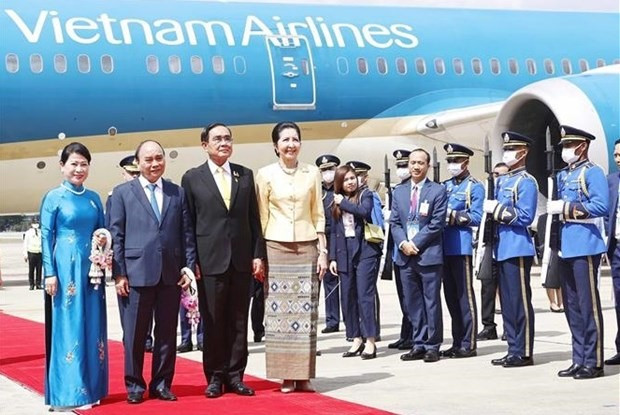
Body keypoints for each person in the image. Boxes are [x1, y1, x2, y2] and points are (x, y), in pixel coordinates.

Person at [181, 123, 265, 398]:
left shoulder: (244, 175)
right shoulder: (193, 178)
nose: (223, 143)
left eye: (227, 138)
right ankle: (215, 377)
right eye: (217, 139)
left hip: (241, 261)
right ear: (204, 144)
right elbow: (188, 224)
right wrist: (191, 261)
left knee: (239, 320)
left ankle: (236, 375)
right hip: (209, 262)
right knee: (214, 321)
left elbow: (254, 219)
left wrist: (257, 255)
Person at [109, 140, 196, 404]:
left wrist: (188, 268)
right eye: (148, 159)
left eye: (159, 158)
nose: (154, 163)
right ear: (138, 162)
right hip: (135, 274)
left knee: (167, 333)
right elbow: (117, 234)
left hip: (170, 274)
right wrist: (119, 273)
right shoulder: (122, 193)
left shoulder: (176, 192)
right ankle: (135, 385)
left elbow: (186, 234)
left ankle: (161, 383)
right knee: (135, 334)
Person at [256, 121, 328, 393]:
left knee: (306, 312)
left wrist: (322, 251)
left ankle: (304, 375)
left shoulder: (312, 173)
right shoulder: (265, 175)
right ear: (275, 146)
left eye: (295, 139)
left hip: (307, 245)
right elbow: (261, 216)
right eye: (285, 140)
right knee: (279, 314)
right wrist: (260, 255)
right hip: (276, 246)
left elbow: (318, 212)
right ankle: (286, 375)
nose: (290, 144)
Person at [40, 142, 108, 410]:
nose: (79, 169)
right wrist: (49, 273)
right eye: (74, 164)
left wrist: (103, 246)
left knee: (93, 325)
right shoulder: (54, 197)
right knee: (68, 325)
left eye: (84, 164)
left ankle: (93, 388)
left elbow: (102, 231)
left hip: (91, 269)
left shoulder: (93, 198)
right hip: (65, 268)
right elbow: (46, 236)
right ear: (62, 166)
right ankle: (68, 392)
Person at [548, 126, 607, 379]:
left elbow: (601, 205)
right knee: (571, 306)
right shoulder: (563, 175)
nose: (565, 150)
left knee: (587, 305)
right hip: (565, 245)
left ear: (581, 146)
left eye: (568, 146)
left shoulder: (592, 172)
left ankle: (593, 361)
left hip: (585, 245)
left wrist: (566, 207)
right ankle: (578, 357)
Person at [483, 131, 537, 368]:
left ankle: (524, 351)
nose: (507, 153)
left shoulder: (526, 181)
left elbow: (525, 216)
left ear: (523, 152)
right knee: (506, 303)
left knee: (519, 302)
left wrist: (496, 210)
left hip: (517, 247)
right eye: (505, 149)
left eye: (511, 149)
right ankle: (513, 347)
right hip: (501, 247)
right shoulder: (503, 181)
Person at [391, 148, 447, 363]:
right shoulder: (400, 191)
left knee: (431, 302)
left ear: (428, 166)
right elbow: (395, 222)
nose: (415, 167)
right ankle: (418, 342)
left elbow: (436, 224)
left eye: (420, 163)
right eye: (412, 163)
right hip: (405, 255)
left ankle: (433, 345)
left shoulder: (437, 191)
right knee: (412, 302)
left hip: (428, 254)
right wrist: (404, 243)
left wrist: (415, 243)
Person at [329, 165, 382, 360]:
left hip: (365, 250)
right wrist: (332, 257)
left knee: (364, 296)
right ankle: (355, 337)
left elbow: (364, 212)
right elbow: (334, 232)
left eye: (353, 178)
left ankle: (370, 340)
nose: (351, 182)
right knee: (347, 296)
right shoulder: (334, 201)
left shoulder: (365, 195)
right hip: (344, 251)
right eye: (346, 179)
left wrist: (343, 203)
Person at [105, 155, 155, 353]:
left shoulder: (151, 193)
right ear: (123, 174)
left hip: (150, 260)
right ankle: (131, 337)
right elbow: (112, 231)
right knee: (128, 307)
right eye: (131, 173)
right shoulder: (116, 196)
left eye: (137, 173)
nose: (134, 177)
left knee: (149, 306)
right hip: (128, 262)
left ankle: (147, 338)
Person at [440, 143, 483, 358]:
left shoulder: (474, 186)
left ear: (466, 162)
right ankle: (456, 340)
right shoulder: (445, 186)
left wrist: (451, 216)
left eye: (456, 161)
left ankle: (468, 342)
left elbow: (477, 216)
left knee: (464, 297)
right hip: (443, 246)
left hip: (461, 245)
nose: (452, 165)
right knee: (450, 296)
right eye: (450, 161)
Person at [346, 161, 382, 341]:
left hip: (367, 247)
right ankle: (357, 335)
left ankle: (372, 333)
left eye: (358, 175)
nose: (355, 180)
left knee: (366, 295)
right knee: (352, 296)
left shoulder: (369, 195)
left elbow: (376, 220)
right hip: (350, 250)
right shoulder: (345, 196)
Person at [477, 162, 509, 341]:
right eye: (496, 174)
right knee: (487, 289)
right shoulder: (487, 194)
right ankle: (488, 326)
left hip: (505, 246)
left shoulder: (508, 194)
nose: (498, 178)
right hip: (488, 246)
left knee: (507, 291)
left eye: (502, 175)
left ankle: (508, 326)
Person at [387, 150, 414, 351]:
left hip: (411, 248)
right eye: (399, 166)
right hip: (398, 251)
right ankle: (406, 334)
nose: (401, 170)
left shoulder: (413, 191)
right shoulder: (397, 191)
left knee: (412, 296)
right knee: (403, 296)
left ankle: (414, 334)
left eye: (404, 165)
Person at [316, 154, 342, 334]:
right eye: (324, 170)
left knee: (346, 279)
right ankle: (332, 320)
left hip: (340, 237)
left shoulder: (342, 190)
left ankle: (351, 319)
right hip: (323, 237)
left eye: (330, 169)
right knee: (327, 279)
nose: (327, 173)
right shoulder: (318, 192)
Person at [605, 138, 620, 366]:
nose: (618, 159)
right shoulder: (611, 181)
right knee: (619, 300)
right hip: (616, 247)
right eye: (616, 155)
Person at [23, 220, 42, 290]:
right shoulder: (28, 233)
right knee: (31, 270)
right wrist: (25, 254)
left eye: (37, 223)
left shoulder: (41, 232)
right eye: (34, 223)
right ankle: (31, 284)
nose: (36, 224)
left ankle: (38, 284)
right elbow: (25, 243)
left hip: (39, 253)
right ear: (31, 224)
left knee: (39, 270)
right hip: (31, 253)